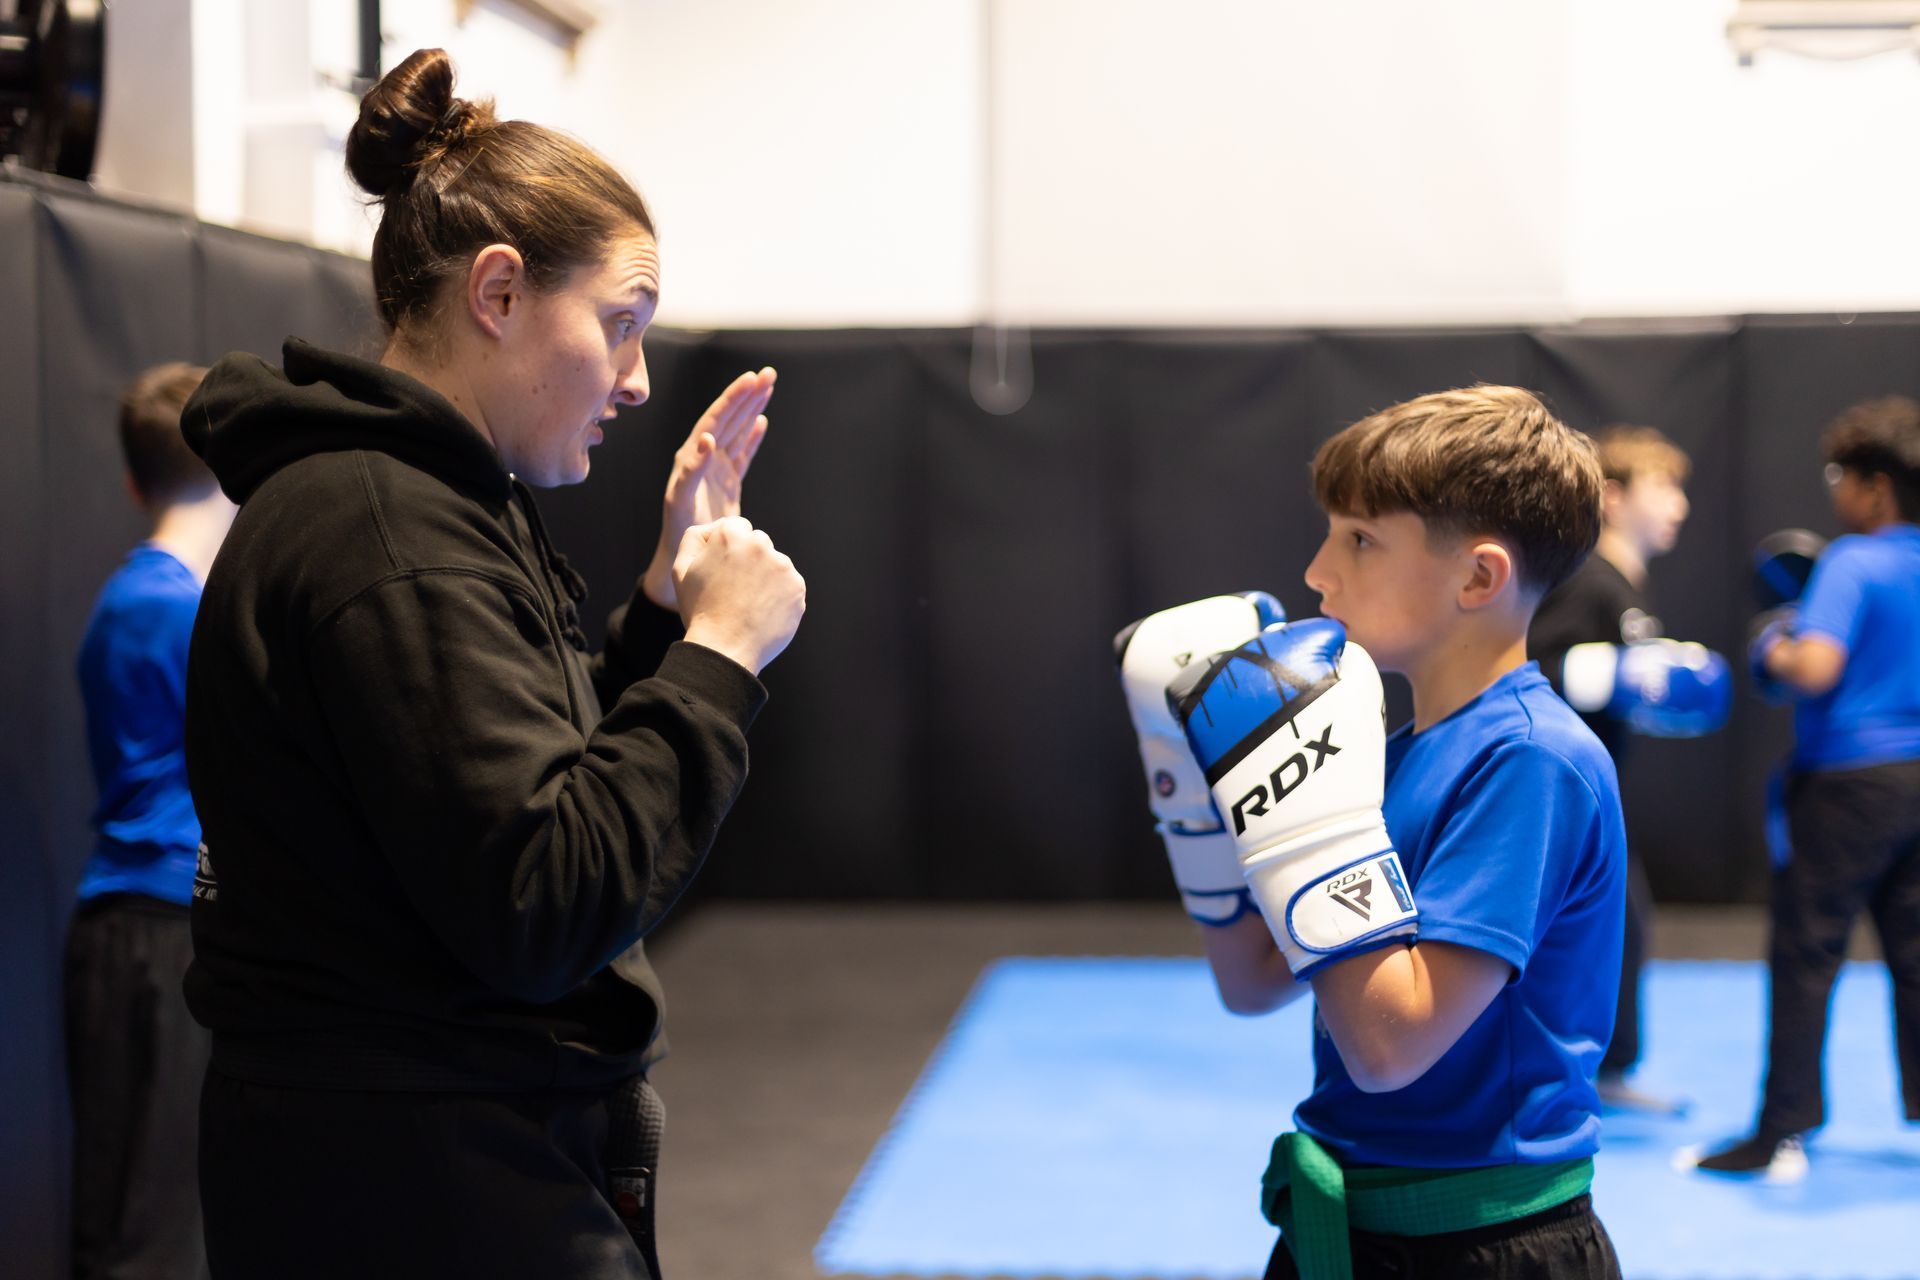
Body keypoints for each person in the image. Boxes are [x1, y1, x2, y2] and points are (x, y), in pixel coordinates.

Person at [179, 48, 805, 1279]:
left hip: (427, 1144)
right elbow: (548, 896)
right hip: (414, 1175)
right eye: (620, 325)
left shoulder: (435, 504)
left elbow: (539, 777)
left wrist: (666, 603)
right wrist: (721, 651)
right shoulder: (387, 533)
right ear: (501, 293)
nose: (634, 380)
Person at [1120, 386, 1625, 1279]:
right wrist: (1196, 806)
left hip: (1484, 1240)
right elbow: (1252, 980)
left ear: (1479, 577)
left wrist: (1302, 828)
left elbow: (1391, 1046)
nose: (1318, 571)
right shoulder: (1386, 753)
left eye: (1360, 539)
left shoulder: (1532, 760)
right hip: (1352, 1223)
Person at [1689, 396, 1920, 1179]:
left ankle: (1781, 1130)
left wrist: (1773, 647)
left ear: (1877, 488)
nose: (1835, 492)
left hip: (1848, 786)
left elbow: (1814, 670)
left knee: (1806, 951)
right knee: (1918, 955)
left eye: (1841, 477)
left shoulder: (1852, 562)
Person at [67, 361, 232, 1280]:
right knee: (162, 1229)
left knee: (122, 1211)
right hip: (170, 938)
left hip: (116, 934)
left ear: (133, 481)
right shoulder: (188, 614)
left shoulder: (120, 606)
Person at [1529, 425, 1730, 1116]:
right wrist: (1615, 673)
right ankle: (1584, 1072)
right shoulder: (1588, 579)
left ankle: (1596, 1069)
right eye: (1662, 488)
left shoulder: (1622, 588)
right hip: (1555, 789)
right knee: (1604, 926)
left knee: (1614, 925)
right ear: (1613, 498)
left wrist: (1646, 692)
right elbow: (1531, 670)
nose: (1679, 505)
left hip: (1589, 785)